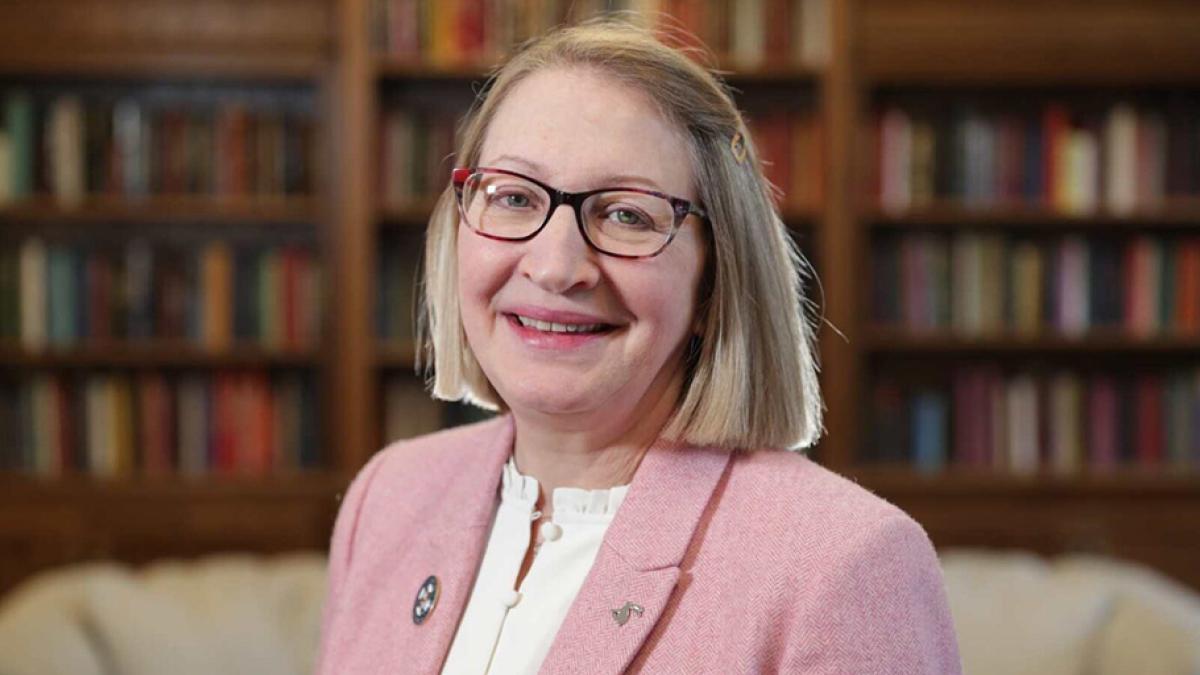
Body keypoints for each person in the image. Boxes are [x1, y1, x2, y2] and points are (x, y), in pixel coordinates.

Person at [318, 18, 961, 675]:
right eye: (512, 196)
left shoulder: (845, 562)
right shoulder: (389, 497)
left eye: (627, 213)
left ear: (714, 284)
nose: (557, 265)